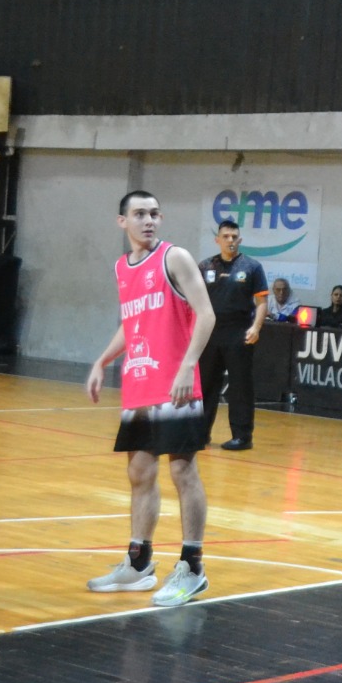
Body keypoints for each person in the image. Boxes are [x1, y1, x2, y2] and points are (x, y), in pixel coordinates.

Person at [84, 190, 217, 607]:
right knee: (140, 472)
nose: (149, 221)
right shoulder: (122, 267)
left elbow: (206, 314)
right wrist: (103, 360)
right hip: (140, 382)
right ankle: (139, 563)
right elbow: (132, 321)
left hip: (176, 384)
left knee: (183, 471)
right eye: (140, 214)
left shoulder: (174, 258)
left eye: (155, 214)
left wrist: (188, 365)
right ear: (122, 221)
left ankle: (193, 568)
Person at [198, 218, 268, 451]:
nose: (230, 240)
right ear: (217, 240)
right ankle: (200, 433)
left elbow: (262, 302)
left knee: (240, 386)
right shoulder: (205, 266)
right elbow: (194, 300)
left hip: (239, 332)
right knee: (206, 384)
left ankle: (242, 436)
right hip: (210, 332)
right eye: (226, 236)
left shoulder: (252, 267)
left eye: (234, 237)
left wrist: (256, 328)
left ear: (240, 240)